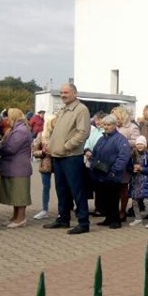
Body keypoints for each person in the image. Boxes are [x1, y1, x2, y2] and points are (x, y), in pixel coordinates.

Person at [44, 84, 92, 235]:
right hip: (58, 156)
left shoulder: (81, 110)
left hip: (71, 156)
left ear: (74, 93)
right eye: (61, 92)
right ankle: (63, 218)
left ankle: (83, 222)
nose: (63, 95)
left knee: (77, 190)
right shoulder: (64, 109)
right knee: (61, 189)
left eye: (66, 92)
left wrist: (67, 146)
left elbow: (83, 132)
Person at [87, 115, 132, 229]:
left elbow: (123, 156)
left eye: (108, 125)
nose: (106, 127)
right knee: (105, 197)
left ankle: (115, 220)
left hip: (113, 174)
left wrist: (114, 170)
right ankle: (108, 218)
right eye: (104, 125)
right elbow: (96, 152)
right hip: (101, 173)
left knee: (113, 198)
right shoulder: (102, 139)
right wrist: (93, 163)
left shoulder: (120, 139)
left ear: (114, 125)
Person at [0, 108, 33, 228]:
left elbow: (11, 148)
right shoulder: (17, 129)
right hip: (14, 166)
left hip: (18, 167)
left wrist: (0, 147)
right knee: (15, 194)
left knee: (20, 194)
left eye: (8, 117)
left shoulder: (20, 131)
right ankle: (15, 217)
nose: (6, 119)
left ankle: (20, 219)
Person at [111, 106, 139, 222]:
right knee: (113, 187)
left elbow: (137, 141)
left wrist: (121, 142)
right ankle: (113, 211)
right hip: (112, 159)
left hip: (125, 160)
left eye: (115, 116)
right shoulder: (113, 127)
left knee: (123, 186)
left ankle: (122, 211)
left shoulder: (132, 127)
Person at [129, 136, 148, 228]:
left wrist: (142, 169)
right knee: (134, 200)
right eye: (137, 144)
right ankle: (138, 218)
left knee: (147, 201)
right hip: (135, 181)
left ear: (145, 145)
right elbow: (128, 167)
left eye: (141, 144)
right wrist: (132, 170)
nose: (139, 146)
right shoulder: (133, 155)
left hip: (145, 181)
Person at [31, 116, 54, 220]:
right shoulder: (41, 135)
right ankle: (44, 210)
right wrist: (43, 152)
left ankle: (64, 210)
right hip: (46, 164)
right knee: (46, 187)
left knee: (62, 188)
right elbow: (34, 151)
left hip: (60, 164)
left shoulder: (62, 135)